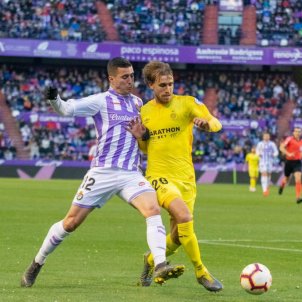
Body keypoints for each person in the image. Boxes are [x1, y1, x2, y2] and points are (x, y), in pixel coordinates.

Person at [21, 57, 185, 288]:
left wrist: (143, 135)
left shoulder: (138, 103)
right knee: (70, 223)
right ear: (112, 79)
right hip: (103, 173)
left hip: (131, 173)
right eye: (125, 77)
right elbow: (67, 109)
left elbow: (146, 136)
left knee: (152, 209)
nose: (130, 80)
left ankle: (159, 264)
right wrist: (54, 99)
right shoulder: (100, 101)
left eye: (131, 76)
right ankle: (37, 263)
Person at [127, 61, 223, 292]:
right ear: (151, 85)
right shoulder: (144, 111)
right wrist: (141, 137)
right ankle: (202, 272)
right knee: (184, 215)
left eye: (170, 84)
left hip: (186, 178)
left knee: (179, 236)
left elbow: (216, 123)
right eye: (162, 85)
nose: (167, 89)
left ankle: (150, 261)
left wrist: (206, 125)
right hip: (159, 177)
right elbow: (145, 149)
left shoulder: (188, 103)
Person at [279, 127, 302, 204]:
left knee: (298, 179)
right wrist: (288, 153)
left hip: (297, 162)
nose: (298, 133)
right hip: (289, 162)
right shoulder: (289, 139)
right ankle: (282, 186)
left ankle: (298, 197)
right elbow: (281, 147)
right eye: (296, 131)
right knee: (286, 178)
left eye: (299, 132)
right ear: (293, 133)